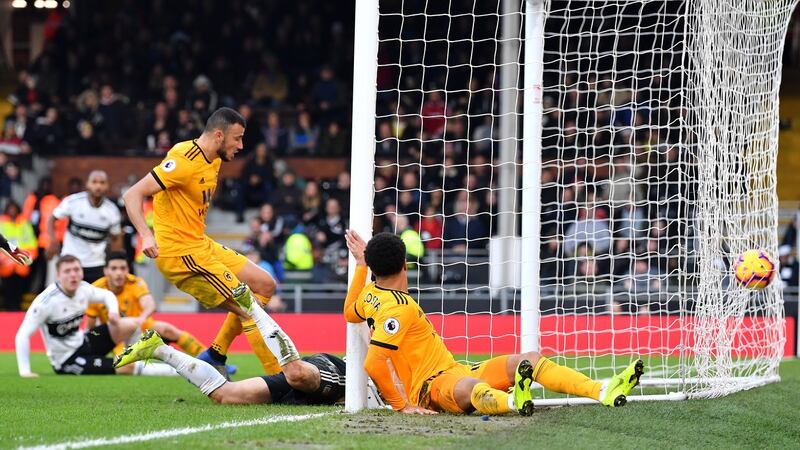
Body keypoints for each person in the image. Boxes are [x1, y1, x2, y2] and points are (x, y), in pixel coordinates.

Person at [343, 230, 644, 415]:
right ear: (404, 264)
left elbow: (349, 312)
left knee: (529, 359)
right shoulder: (399, 309)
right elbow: (374, 362)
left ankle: (602, 391)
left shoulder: (372, 294)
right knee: (471, 387)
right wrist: (403, 405)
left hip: (454, 370)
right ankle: (512, 403)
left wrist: (359, 267)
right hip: (430, 387)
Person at [122, 107, 304, 380]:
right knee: (248, 307)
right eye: (237, 138)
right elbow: (133, 194)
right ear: (219, 135)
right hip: (180, 255)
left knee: (266, 285)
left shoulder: (215, 158)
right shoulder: (183, 161)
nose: (241, 146)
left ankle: (215, 354)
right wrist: (146, 235)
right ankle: (281, 379)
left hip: (201, 244)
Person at [14, 255, 175, 377]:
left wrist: (113, 312)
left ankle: (136, 357)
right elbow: (22, 335)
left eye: (76, 270)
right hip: (67, 360)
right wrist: (25, 371)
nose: (73, 275)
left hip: (84, 342)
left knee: (131, 323)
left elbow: (107, 296)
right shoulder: (46, 302)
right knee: (125, 366)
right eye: (67, 271)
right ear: (58, 275)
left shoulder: (83, 289)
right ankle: (174, 371)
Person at [114, 329, 345, 406]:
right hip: (337, 373)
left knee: (225, 395)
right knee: (298, 374)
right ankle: (252, 309)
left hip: (324, 387)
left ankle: (159, 350)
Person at [85, 251, 208, 358]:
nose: (119, 273)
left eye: (123, 268)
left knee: (168, 329)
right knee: (122, 359)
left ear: (128, 269)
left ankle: (206, 356)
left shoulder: (135, 283)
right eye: (114, 268)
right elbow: (90, 327)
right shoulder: (96, 290)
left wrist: (140, 319)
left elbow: (150, 304)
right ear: (106, 271)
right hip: (115, 335)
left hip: (141, 328)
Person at [46, 170, 123, 283]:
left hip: (97, 264)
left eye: (102, 183)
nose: (98, 186)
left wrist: (115, 261)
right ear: (87, 184)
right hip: (70, 260)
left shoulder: (112, 211)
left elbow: (116, 238)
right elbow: (51, 219)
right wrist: (53, 241)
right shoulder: (73, 202)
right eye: (94, 182)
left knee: (94, 300)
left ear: (107, 186)